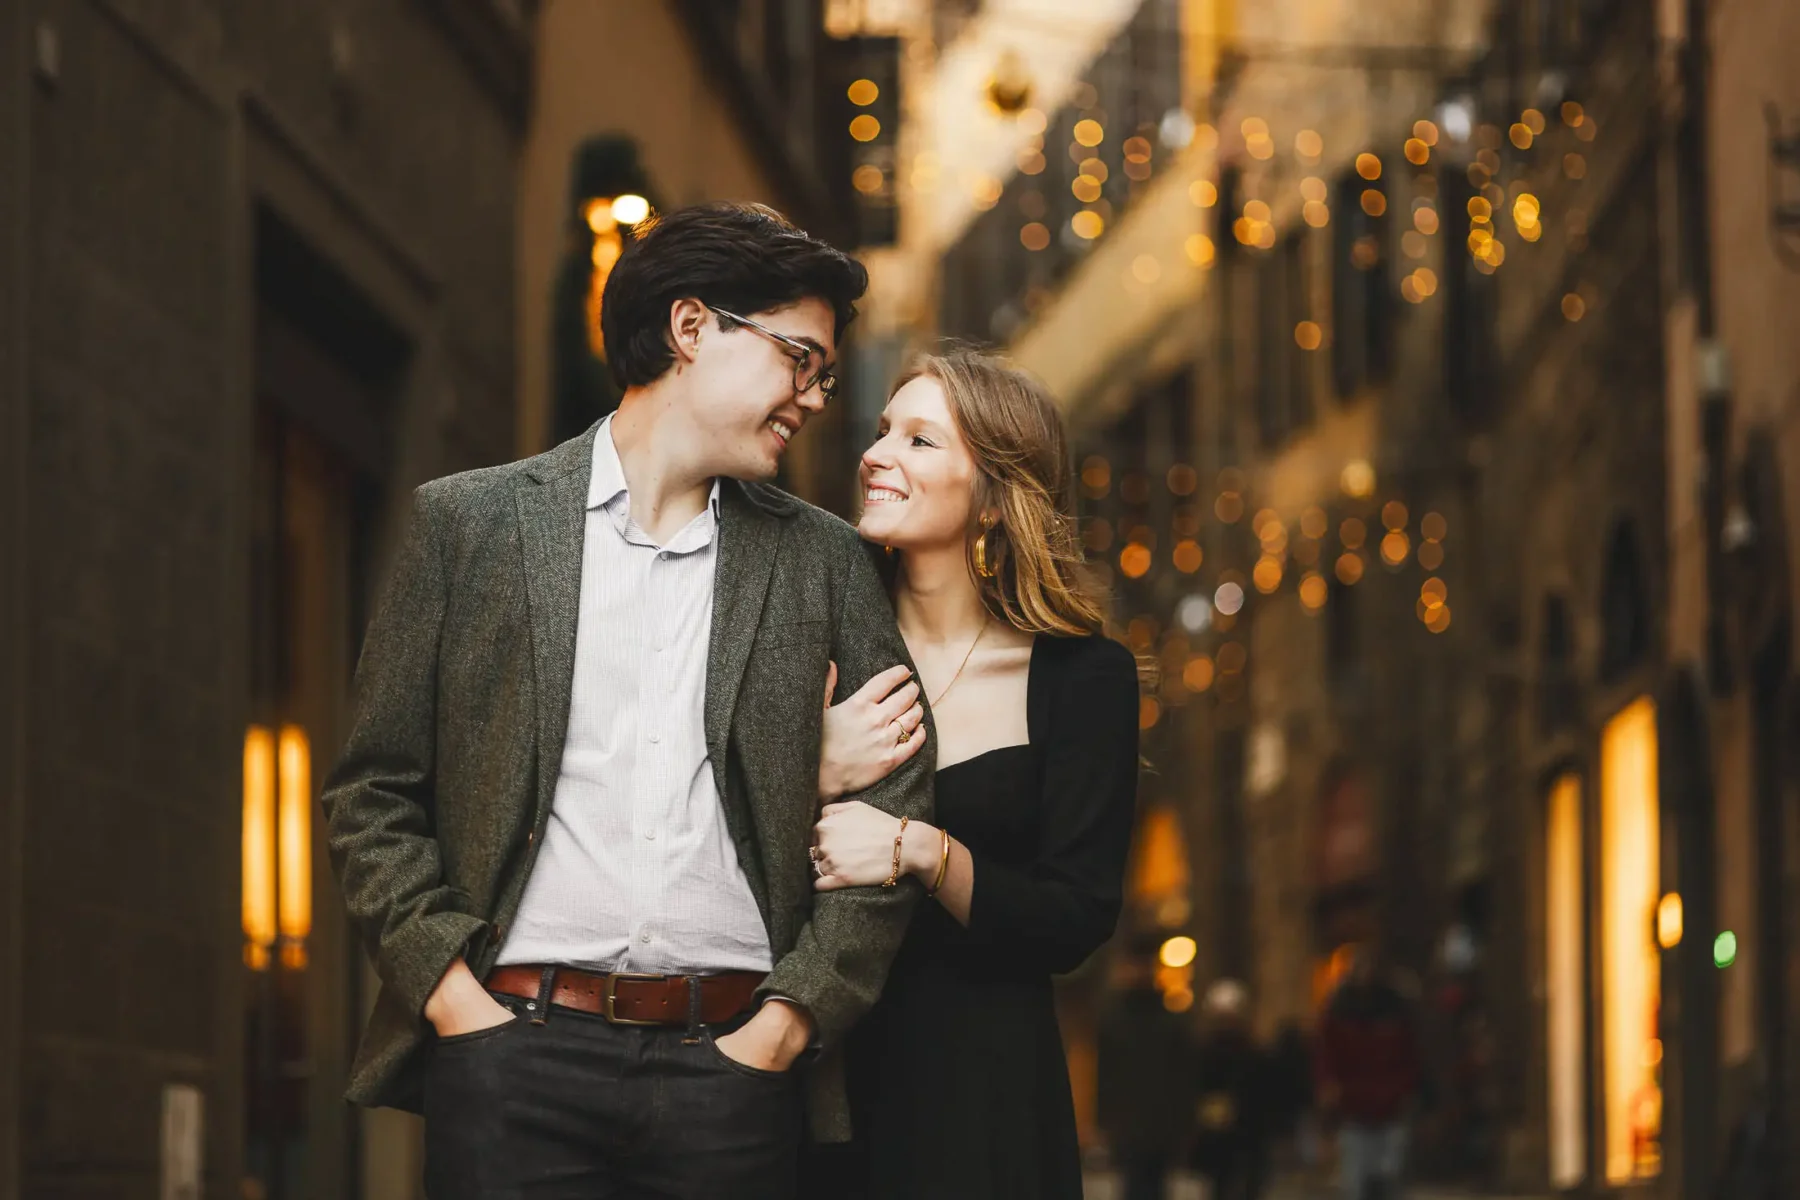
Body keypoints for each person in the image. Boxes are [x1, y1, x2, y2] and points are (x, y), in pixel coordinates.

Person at [320, 202, 935, 1199]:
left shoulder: (821, 560)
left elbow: (897, 807)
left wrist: (789, 1023)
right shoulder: (469, 527)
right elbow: (373, 791)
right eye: (799, 359)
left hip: (732, 1069)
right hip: (511, 1055)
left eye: (824, 373)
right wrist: (447, 993)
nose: (815, 397)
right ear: (692, 328)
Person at [798, 351, 1141, 1199]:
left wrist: (920, 850)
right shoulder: (813, 643)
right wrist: (813, 770)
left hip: (983, 1098)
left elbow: (1074, 917)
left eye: (920, 441)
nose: (877, 455)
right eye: (883, 433)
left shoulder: (1083, 677)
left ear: (993, 496)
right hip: (815, 1078)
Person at [1316, 947, 1422, 1200]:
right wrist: (1329, 1086)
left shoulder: (1394, 1010)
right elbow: (1327, 1056)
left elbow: (1408, 1055)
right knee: (1357, 1182)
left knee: (1390, 1178)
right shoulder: (1340, 1011)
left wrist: (1406, 1090)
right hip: (1354, 1109)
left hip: (1390, 1107)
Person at [1098, 946, 1197, 1200]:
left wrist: (1183, 1123)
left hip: (1159, 1126)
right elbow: (1107, 1075)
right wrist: (1104, 1119)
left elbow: (1183, 1077)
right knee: (1134, 1185)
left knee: (1154, 1186)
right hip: (1129, 1124)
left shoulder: (1170, 1022)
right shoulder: (1115, 1021)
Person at [1187, 979, 1273, 1200]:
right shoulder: (1205, 1053)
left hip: (1250, 1135)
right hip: (1219, 1136)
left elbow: (1266, 1094)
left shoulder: (1255, 1053)